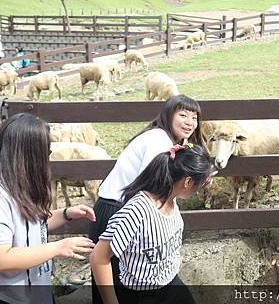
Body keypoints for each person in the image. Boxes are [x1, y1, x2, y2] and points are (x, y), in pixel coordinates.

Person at [0, 113, 96, 304]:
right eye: (45, 153)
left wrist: (65, 214)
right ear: (30, 155)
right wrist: (59, 247)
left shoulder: (13, 181)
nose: (48, 158)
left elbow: (29, 225)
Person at [88, 94, 206, 303]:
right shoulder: (158, 142)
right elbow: (153, 187)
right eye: (183, 115)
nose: (190, 122)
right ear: (168, 115)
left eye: (194, 117)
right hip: (118, 209)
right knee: (117, 282)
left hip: (123, 208)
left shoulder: (165, 141)